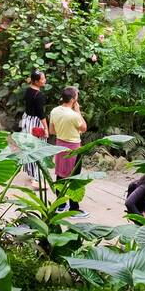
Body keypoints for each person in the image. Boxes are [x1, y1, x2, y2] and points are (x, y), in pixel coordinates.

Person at [49, 86, 88, 214]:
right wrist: (78, 111)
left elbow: (52, 131)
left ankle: (60, 205)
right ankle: (74, 208)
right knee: (74, 177)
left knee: (60, 174)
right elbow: (84, 128)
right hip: (74, 148)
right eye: (76, 95)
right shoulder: (74, 115)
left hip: (59, 145)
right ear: (73, 99)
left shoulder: (54, 111)